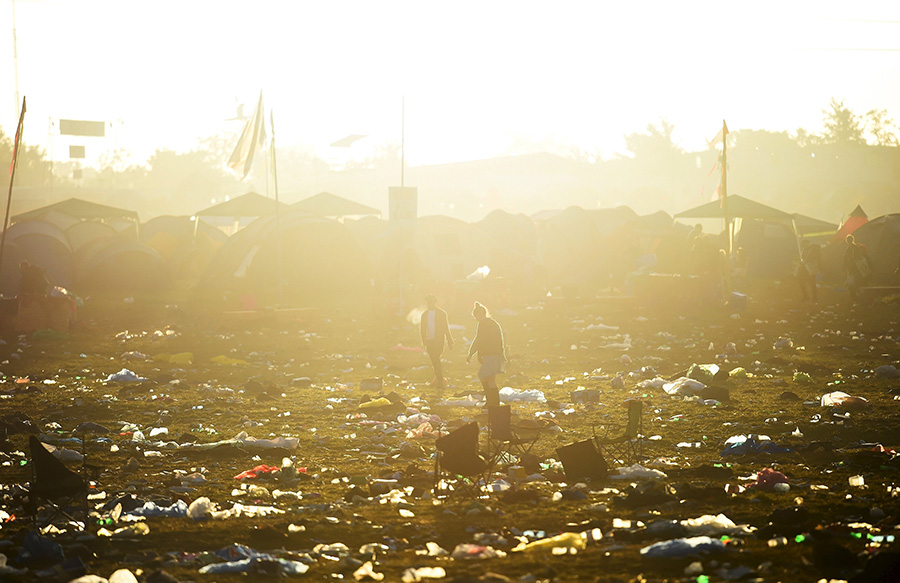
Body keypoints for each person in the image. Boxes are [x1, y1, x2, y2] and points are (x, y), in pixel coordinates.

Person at [466, 301, 505, 407]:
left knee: (487, 378)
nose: (476, 318)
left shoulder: (483, 324)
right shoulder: (493, 323)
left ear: (480, 314)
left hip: (490, 355)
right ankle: (491, 401)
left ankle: (493, 402)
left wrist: (471, 353)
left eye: (476, 316)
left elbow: (479, 340)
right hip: (495, 354)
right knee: (488, 378)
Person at [419, 294, 453, 389]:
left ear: (434, 303)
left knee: (436, 360)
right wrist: (424, 340)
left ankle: (440, 381)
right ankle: (440, 380)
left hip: (439, 341)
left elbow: (446, 327)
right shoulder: (424, 314)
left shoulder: (441, 313)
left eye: (430, 302)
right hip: (430, 341)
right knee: (435, 361)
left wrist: (450, 340)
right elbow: (422, 328)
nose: (429, 304)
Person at [843, 234, 871, 303]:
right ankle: (857, 297)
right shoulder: (850, 250)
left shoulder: (851, 250)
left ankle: (858, 297)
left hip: (856, 269)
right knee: (855, 283)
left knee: (856, 283)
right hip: (854, 269)